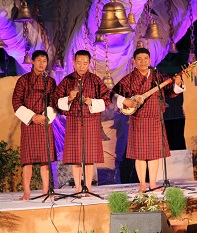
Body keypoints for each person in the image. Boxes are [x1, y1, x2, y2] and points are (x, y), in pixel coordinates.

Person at [110, 48, 185, 193]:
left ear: (150, 60)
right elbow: (113, 94)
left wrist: (178, 83)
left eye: (146, 58)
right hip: (138, 120)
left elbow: (171, 92)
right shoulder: (129, 79)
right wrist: (125, 101)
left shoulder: (159, 77)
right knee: (140, 155)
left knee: (154, 154)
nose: (143, 61)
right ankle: (142, 184)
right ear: (134, 62)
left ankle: (153, 183)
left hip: (156, 119)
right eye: (139, 59)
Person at [55, 50, 111, 194]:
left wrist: (91, 101)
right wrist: (68, 98)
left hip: (91, 121)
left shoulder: (95, 80)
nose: (81, 66)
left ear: (89, 64)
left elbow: (107, 100)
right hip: (73, 121)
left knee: (89, 157)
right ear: (74, 63)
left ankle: (89, 187)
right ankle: (78, 188)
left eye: (85, 63)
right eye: (79, 63)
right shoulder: (67, 80)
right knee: (75, 157)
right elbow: (56, 100)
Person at [12, 50, 57, 200]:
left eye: (44, 61)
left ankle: (46, 191)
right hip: (30, 123)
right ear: (32, 61)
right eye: (38, 60)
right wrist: (33, 116)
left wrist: (45, 116)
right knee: (28, 160)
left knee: (45, 160)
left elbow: (53, 101)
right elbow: (17, 102)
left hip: (44, 122)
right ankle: (27, 192)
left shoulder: (50, 81)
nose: (41, 64)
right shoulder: (23, 80)